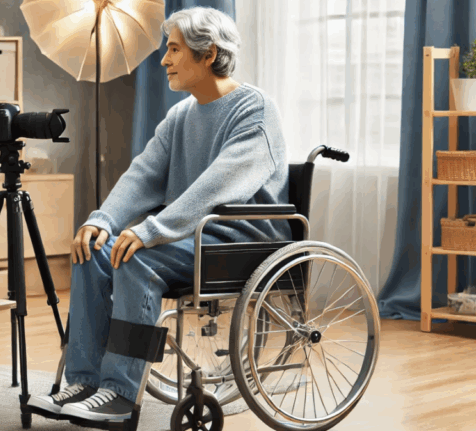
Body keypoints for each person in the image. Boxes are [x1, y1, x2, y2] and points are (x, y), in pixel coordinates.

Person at [27, 7, 292, 422]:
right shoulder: (181, 115)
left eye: (174, 49)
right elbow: (143, 175)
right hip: (189, 236)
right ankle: (83, 381)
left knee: (135, 259)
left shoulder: (255, 110)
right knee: (90, 251)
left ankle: (119, 394)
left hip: (239, 242)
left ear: (209, 54)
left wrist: (153, 229)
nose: (164, 60)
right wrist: (102, 220)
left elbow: (217, 185)